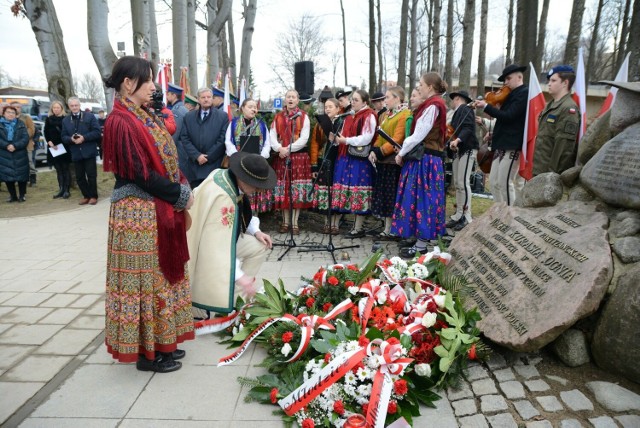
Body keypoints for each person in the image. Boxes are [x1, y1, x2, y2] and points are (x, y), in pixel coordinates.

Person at [102, 55, 195, 373]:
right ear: (129, 84)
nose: (155, 86)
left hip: (153, 210)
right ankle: (148, 353)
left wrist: (178, 188)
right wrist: (180, 194)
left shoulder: (140, 114)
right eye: (149, 80)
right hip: (137, 216)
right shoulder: (120, 121)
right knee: (147, 284)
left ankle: (162, 342)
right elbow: (140, 173)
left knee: (161, 281)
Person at [187, 152, 275, 316]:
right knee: (200, 315)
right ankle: (204, 302)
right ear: (244, 178)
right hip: (201, 249)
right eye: (256, 185)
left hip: (220, 240)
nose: (257, 190)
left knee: (259, 246)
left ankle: (236, 303)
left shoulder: (228, 177)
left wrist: (256, 231)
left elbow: (241, 214)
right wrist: (240, 277)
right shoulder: (224, 197)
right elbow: (216, 249)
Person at [392, 72, 448, 258]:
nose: (419, 87)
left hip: (427, 160)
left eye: (421, 84)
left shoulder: (433, 106)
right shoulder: (431, 105)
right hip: (426, 159)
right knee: (420, 198)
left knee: (424, 200)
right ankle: (418, 240)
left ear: (430, 87)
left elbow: (418, 135)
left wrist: (401, 152)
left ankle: (421, 246)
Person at [474, 64, 528, 206]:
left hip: (512, 145)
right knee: (494, 182)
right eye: (505, 79)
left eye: (508, 78)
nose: (506, 83)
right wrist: (494, 133)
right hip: (501, 144)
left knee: (505, 182)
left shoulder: (524, 93)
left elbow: (509, 116)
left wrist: (486, 107)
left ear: (519, 77)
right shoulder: (511, 95)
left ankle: (510, 216)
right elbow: (504, 121)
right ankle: (499, 212)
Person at [332, 89, 377, 237]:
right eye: (352, 99)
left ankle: (358, 227)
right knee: (349, 190)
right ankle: (352, 225)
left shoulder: (369, 115)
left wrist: (347, 140)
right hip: (346, 156)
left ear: (365, 102)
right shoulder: (349, 115)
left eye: (356, 100)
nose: (352, 102)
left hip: (359, 159)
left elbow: (367, 138)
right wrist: (337, 139)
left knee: (359, 190)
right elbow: (344, 134)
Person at [368, 87, 410, 239]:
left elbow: (397, 138)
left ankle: (395, 229)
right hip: (383, 161)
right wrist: (374, 150)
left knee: (393, 196)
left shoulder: (405, 114)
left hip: (394, 161)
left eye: (387, 97)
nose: (385, 100)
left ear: (397, 98)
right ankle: (387, 228)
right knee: (385, 195)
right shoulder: (386, 115)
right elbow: (380, 135)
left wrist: (380, 151)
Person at [270, 89, 313, 234]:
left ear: (298, 100)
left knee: (296, 190)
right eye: (288, 97)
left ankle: (295, 223)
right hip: (282, 157)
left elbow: (304, 138)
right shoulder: (278, 117)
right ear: (285, 99)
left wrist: (288, 148)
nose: (290, 99)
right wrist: (279, 148)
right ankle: (285, 222)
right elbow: (272, 136)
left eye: (293, 97)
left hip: (298, 158)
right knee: (284, 189)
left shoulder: (304, 117)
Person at [225, 98, 273, 213]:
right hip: (238, 163)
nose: (253, 109)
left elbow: (267, 143)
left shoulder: (261, 124)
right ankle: (238, 214)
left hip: (255, 164)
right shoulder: (234, 123)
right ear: (242, 108)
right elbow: (228, 141)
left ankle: (253, 216)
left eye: (255, 107)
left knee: (253, 188)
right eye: (250, 106)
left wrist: (262, 156)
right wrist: (235, 155)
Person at [532, 65, 580, 176]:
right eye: (549, 80)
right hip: (540, 169)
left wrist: (552, 175)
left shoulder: (568, 108)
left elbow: (563, 147)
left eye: (553, 80)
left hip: (550, 174)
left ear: (565, 83)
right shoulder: (550, 105)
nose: (549, 83)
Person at [179, 87, 229, 188]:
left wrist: (208, 157)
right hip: (194, 166)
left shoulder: (222, 116)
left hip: (214, 166)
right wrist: (197, 156)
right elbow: (184, 138)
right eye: (203, 97)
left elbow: (222, 139)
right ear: (198, 99)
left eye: (208, 97)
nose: (206, 99)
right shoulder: (189, 117)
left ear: (212, 98)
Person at [446, 90, 479, 231]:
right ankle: (459, 213)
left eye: (454, 99)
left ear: (458, 98)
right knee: (459, 183)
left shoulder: (465, 109)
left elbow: (468, 128)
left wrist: (458, 140)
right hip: (458, 150)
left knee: (464, 182)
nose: (452, 101)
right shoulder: (457, 112)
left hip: (467, 148)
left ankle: (467, 215)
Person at [309, 97, 342, 234]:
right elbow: (315, 144)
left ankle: (336, 224)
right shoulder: (320, 124)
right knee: (326, 193)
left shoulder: (343, 122)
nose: (327, 109)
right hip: (324, 160)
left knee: (336, 192)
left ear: (338, 109)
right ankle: (327, 223)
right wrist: (314, 166)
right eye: (326, 107)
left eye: (330, 107)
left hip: (338, 161)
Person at [61, 97, 102, 205]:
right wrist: (71, 139)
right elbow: (63, 137)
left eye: (76, 105)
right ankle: (86, 195)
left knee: (91, 175)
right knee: (79, 177)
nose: (74, 107)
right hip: (75, 152)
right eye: (72, 106)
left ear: (79, 105)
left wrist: (84, 138)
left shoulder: (90, 116)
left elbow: (97, 132)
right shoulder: (65, 120)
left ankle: (93, 196)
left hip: (89, 151)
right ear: (69, 107)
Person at [0, 105, 29, 202]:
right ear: (3, 113)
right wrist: (6, 145)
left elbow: (25, 138)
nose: (10, 114)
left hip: (19, 153)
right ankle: (13, 196)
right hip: (4, 154)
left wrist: (15, 145)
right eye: (8, 112)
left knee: (22, 176)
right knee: (8, 176)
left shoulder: (21, 124)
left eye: (13, 112)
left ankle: (22, 195)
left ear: (16, 114)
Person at [44, 101, 72, 199]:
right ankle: (61, 189)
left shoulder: (66, 119)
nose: (56, 109)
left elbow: (69, 132)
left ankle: (67, 190)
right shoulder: (48, 119)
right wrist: (49, 142)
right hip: (53, 148)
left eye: (58, 107)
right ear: (52, 109)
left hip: (64, 147)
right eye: (54, 108)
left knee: (65, 169)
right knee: (58, 170)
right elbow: (46, 132)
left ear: (61, 108)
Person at [11, 102, 37, 187]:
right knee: (16, 163)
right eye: (14, 107)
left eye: (18, 107)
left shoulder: (26, 117)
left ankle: (33, 179)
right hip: (14, 145)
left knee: (29, 162)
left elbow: (31, 129)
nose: (16, 108)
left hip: (27, 144)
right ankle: (19, 180)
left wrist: (23, 138)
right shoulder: (9, 118)